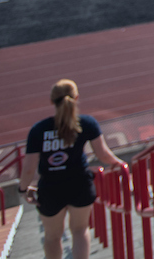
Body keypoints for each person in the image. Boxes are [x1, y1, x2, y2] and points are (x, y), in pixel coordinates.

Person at [19, 79, 123, 259]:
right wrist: (120, 164)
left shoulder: (38, 130)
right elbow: (103, 154)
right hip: (80, 185)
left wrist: (23, 190)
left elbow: (29, 168)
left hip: (50, 189)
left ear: (52, 101)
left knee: (52, 237)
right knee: (80, 230)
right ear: (76, 97)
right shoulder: (87, 123)